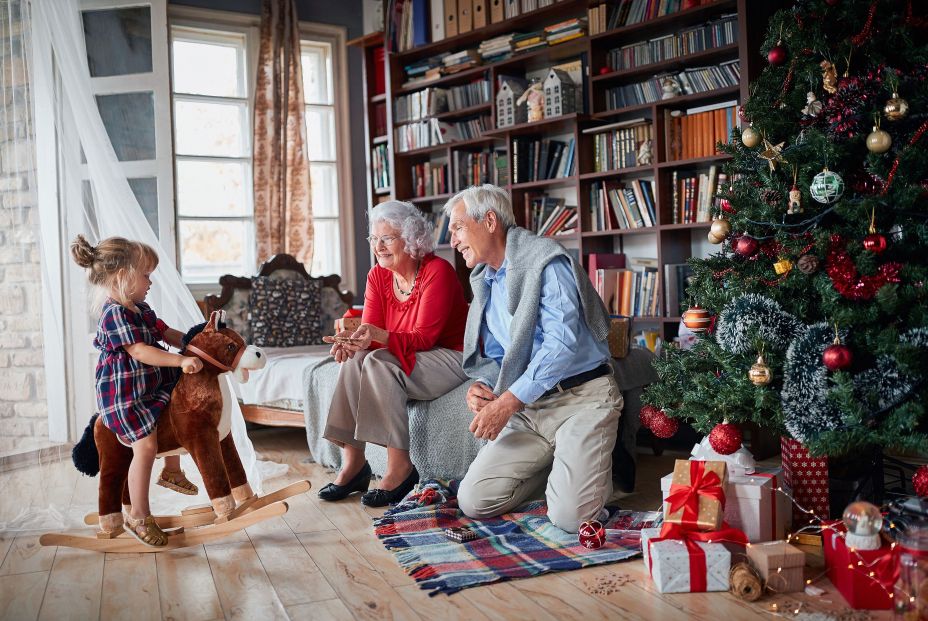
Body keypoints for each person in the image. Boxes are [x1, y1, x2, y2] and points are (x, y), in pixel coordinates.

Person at [444, 184, 623, 533]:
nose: (453, 241)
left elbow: (561, 345)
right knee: (474, 501)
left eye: (458, 228)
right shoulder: (485, 280)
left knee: (571, 519)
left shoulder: (545, 261)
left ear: (490, 221)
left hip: (582, 399)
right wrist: (482, 386)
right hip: (530, 409)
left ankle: (580, 475)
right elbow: (499, 357)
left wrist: (507, 403)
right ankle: (560, 469)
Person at [319, 201, 469, 507]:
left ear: (412, 239)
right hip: (407, 353)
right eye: (374, 239)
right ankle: (354, 462)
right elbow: (371, 335)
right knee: (355, 359)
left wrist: (373, 337)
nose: (379, 247)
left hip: (448, 356)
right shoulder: (378, 276)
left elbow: (424, 339)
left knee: (376, 362)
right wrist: (353, 341)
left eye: (387, 238)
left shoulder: (437, 271)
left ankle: (400, 468)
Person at [71, 235, 204, 547]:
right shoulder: (114, 313)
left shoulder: (140, 307)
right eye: (146, 274)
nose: (150, 282)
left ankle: (172, 470)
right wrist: (180, 360)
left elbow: (166, 331)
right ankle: (139, 516)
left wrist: (192, 344)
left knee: (179, 410)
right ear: (122, 276)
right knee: (144, 447)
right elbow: (141, 351)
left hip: (149, 385)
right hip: (125, 395)